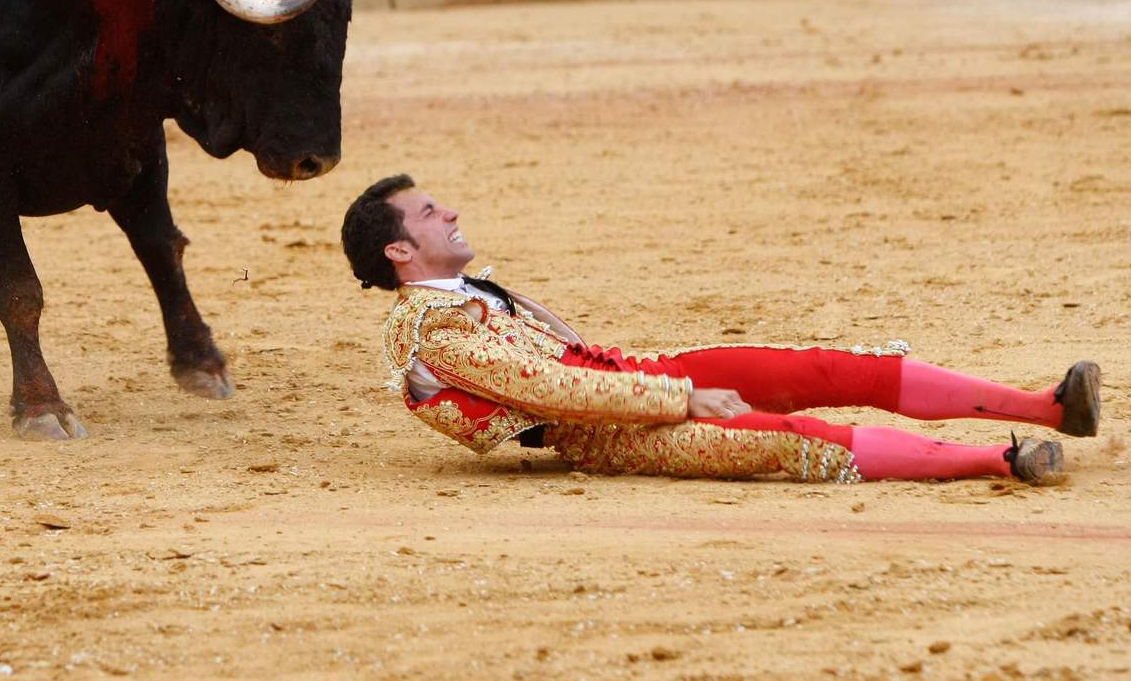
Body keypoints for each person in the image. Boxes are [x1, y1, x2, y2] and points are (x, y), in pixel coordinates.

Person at [340, 175, 1100, 484]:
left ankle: (1050, 408)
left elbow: (577, 354)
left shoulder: (471, 290)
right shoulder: (430, 332)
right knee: (788, 434)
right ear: (398, 250)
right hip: (603, 433)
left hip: (643, 375)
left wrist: (673, 379)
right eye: (431, 213)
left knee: (826, 368)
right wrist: (679, 400)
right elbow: (555, 390)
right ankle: (1004, 463)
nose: (453, 213)